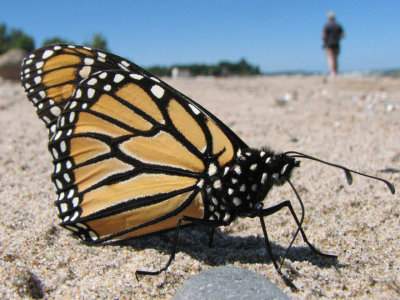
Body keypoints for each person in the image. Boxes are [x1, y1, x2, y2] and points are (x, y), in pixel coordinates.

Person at [322, 12, 345, 77]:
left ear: (328, 18)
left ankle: (332, 73)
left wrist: (325, 41)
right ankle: (335, 72)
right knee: (335, 58)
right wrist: (338, 38)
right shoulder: (338, 25)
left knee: (330, 58)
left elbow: (323, 36)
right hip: (336, 43)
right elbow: (343, 35)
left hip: (328, 44)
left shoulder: (327, 25)